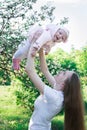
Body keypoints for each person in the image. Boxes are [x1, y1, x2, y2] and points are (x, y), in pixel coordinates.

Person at [25, 45, 85, 130]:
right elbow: (44, 70)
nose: (60, 72)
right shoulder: (58, 91)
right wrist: (40, 46)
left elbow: (29, 70)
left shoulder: (55, 97)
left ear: (63, 84)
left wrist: (33, 45)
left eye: (63, 73)